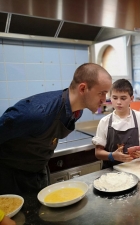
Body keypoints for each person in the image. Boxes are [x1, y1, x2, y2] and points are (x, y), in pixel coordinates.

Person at [0, 63, 112, 195]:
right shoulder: (37, 113)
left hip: (38, 170)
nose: (105, 100)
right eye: (102, 93)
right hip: (11, 177)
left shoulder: (77, 112)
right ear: (83, 88)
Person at [92, 79, 140, 168]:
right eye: (115, 98)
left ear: (131, 99)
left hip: (136, 168)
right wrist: (112, 156)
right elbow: (98, 153)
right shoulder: (104, 121)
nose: (118, 102)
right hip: (111, 171)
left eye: (123, 98)